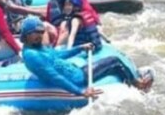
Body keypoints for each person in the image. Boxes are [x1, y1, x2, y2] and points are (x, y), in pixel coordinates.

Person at [21, 16, 153, 93]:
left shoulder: (39, 47)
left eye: (41, 32)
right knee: (115, 62)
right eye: (35, 33)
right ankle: (138, 84)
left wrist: (79, 48)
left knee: (107, 62)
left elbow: (58, 55)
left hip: (74, 70)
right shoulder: (32, 55)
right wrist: (81, 92)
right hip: (77, 78)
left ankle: (132, 80)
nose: (39, 36)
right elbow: (54, 77)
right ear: (26, 35)